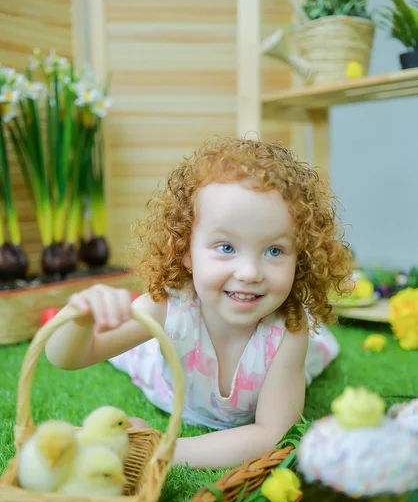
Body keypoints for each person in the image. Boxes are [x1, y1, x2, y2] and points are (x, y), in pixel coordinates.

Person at [46, 138, 352, 469]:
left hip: (277, 360)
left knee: (314, 353)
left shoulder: (289, 330)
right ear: (186, 252)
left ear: (301, 259)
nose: (249, 273)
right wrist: (79, 318)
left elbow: (271, 434)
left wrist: (165, 450)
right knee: (134, 353)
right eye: (225, 247)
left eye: (274, 251)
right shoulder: (169, 307)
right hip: (172, 371)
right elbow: (66, 358)